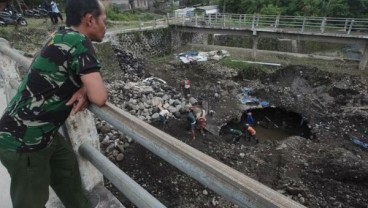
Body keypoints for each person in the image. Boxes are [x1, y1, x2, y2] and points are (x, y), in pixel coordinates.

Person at [0, 0, 108, 207]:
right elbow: (100, 97)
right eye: (105, 20)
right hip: (24, 143)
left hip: (41, 133)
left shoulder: (60, 34)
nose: (106, 26)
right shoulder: (80, 42)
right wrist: (90, 89)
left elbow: (71, 75)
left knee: (67, 168)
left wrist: (84, 87)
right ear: (90, 19)